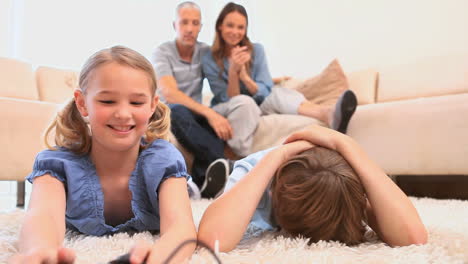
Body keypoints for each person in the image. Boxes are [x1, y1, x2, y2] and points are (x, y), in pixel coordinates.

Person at [10, 46, 196, 264]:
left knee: (189, 191)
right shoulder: (57, 164)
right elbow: (43, 216)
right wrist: (39, 251)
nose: (123, 114)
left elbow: (180, 227)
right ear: (82, 103)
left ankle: (197, 186)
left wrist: (158, 257)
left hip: (176, 185)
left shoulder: (163, 160)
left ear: (152, 106)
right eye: (107, 101)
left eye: (136, 102)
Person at [197, 124, 428, 252]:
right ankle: (224, 172)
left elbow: (413, 237)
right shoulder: (257, 168)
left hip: (319, 172)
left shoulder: (345, 185)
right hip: (265, 166)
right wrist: (277, 155)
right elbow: (210, 240)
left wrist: (348, 146)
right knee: (230, 187)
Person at [202, 2, 358, 141]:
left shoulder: (256, 50)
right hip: (228, 107)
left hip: (257, 103)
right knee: (246, 102)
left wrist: (245, 77)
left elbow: (264, 89)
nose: (235, 32)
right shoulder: (209, 58)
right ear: (220, 26)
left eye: (240, 27)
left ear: (246, 29)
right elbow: (231, 99)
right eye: (230, 25)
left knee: (276, 94)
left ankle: (329, 114)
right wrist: (233, 73)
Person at [152, 1, 256, 198]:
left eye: (195, 23)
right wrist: (209, 113)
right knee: (176, 110)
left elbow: (223, 83)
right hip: (171, 110)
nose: (189, 29)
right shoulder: (163, 52)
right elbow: (170, 93)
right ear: (174, 25)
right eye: (184, 23)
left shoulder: (204, 53)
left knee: (212, 125)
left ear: (201, 27)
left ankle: (203, 182)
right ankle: (230, 165)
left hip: (196, 113)